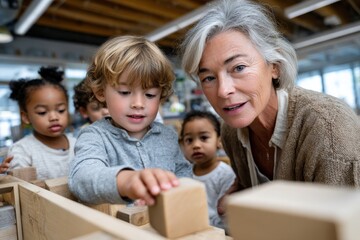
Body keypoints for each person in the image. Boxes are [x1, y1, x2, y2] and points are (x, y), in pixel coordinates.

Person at [181, 0, 360, 213]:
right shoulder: (231, 132)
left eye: (238, 67)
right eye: (208, 78)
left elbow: (345, 226)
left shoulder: (328, 127)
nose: (222, 90)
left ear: (274, 66)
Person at [68, 35, 192, 205]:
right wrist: (126, 181)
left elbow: (184, 173)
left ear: (161, 96)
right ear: (101, 92)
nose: (138, 104)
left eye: (150, 95)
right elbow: (81, 179)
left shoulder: (168, 135)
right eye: (125, 92)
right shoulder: (94, 136)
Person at [0, 66, 76, 180]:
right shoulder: (22, 151)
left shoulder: (78, 144)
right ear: (26, 117)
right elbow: (20, 188)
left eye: (61, 110)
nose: (54, 117)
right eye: (42, 112)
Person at [179, 110, 236, 230]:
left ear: (219, 141)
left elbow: (225, 218)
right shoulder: (183, 174)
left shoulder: (226, 175)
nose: (196, 145)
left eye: (204, 138)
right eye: (189, 140)